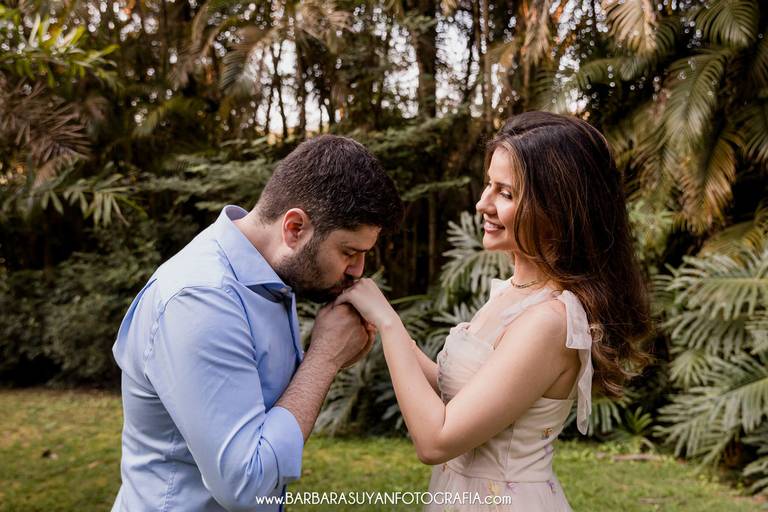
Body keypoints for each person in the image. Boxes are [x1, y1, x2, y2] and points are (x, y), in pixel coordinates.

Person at [336, 112, 651, 511]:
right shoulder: (513, 294)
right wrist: (387, 331)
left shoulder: (550, 320)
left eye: (506, 193)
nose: (482, 203)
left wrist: (388, 321)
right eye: (489, 184)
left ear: (556, 208)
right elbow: (460, 392)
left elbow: (436, 441)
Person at [110, 134, 404, 511]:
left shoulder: (269, 278)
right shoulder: (201, 300)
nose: (359, 270)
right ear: (294, 228)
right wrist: (324, 359)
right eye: (349, 251)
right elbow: (247, 486)